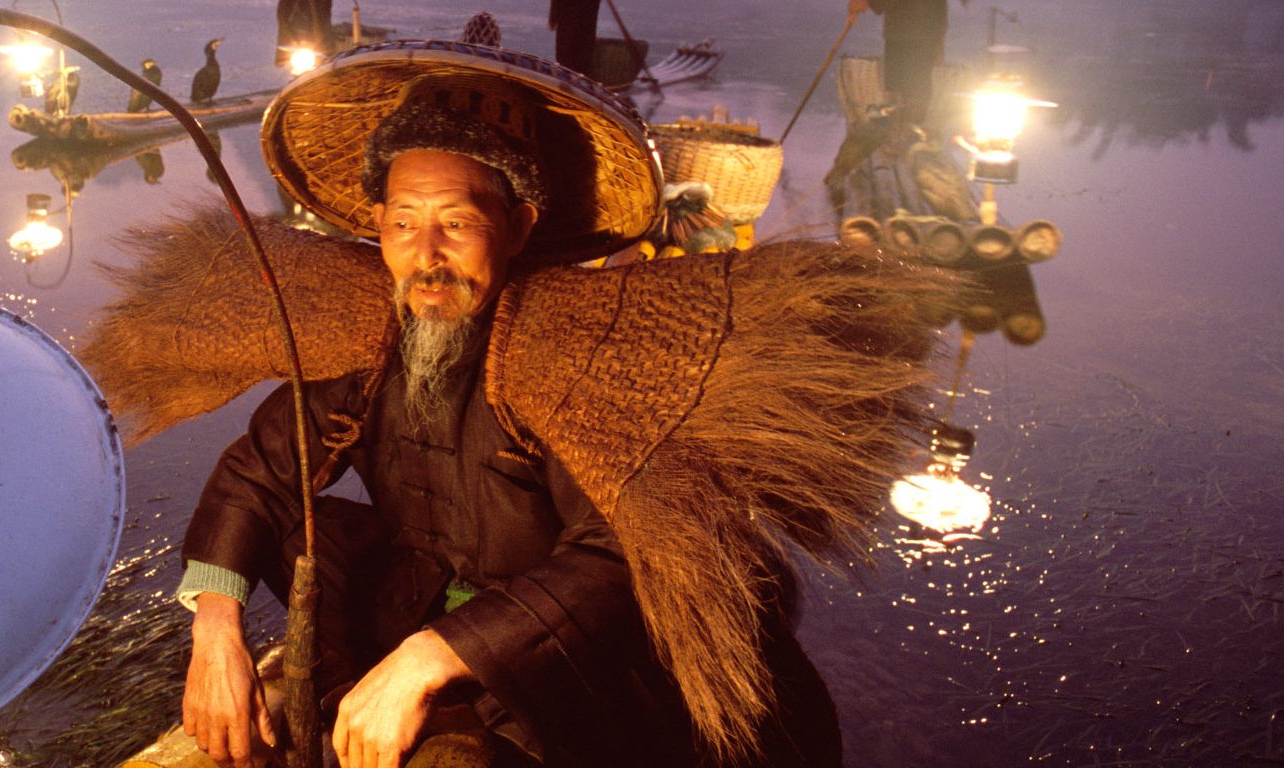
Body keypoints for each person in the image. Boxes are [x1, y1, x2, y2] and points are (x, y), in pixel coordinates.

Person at [81, 34, 954, 768]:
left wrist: (435, 658)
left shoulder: (586, 351)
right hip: (418, 593)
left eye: (456, 223)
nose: (427, 255)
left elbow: (617, 557)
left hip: (569, 660)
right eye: (401, 222)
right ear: (376, 224)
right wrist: (217, 628)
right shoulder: (373, 332)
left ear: (521, 225)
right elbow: (259, 472)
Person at [850, 0, 950, 140]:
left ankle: (906, 135)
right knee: (902, 89)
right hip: (904, 35)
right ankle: (900, 134)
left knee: (914, 90)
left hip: (919, 35)